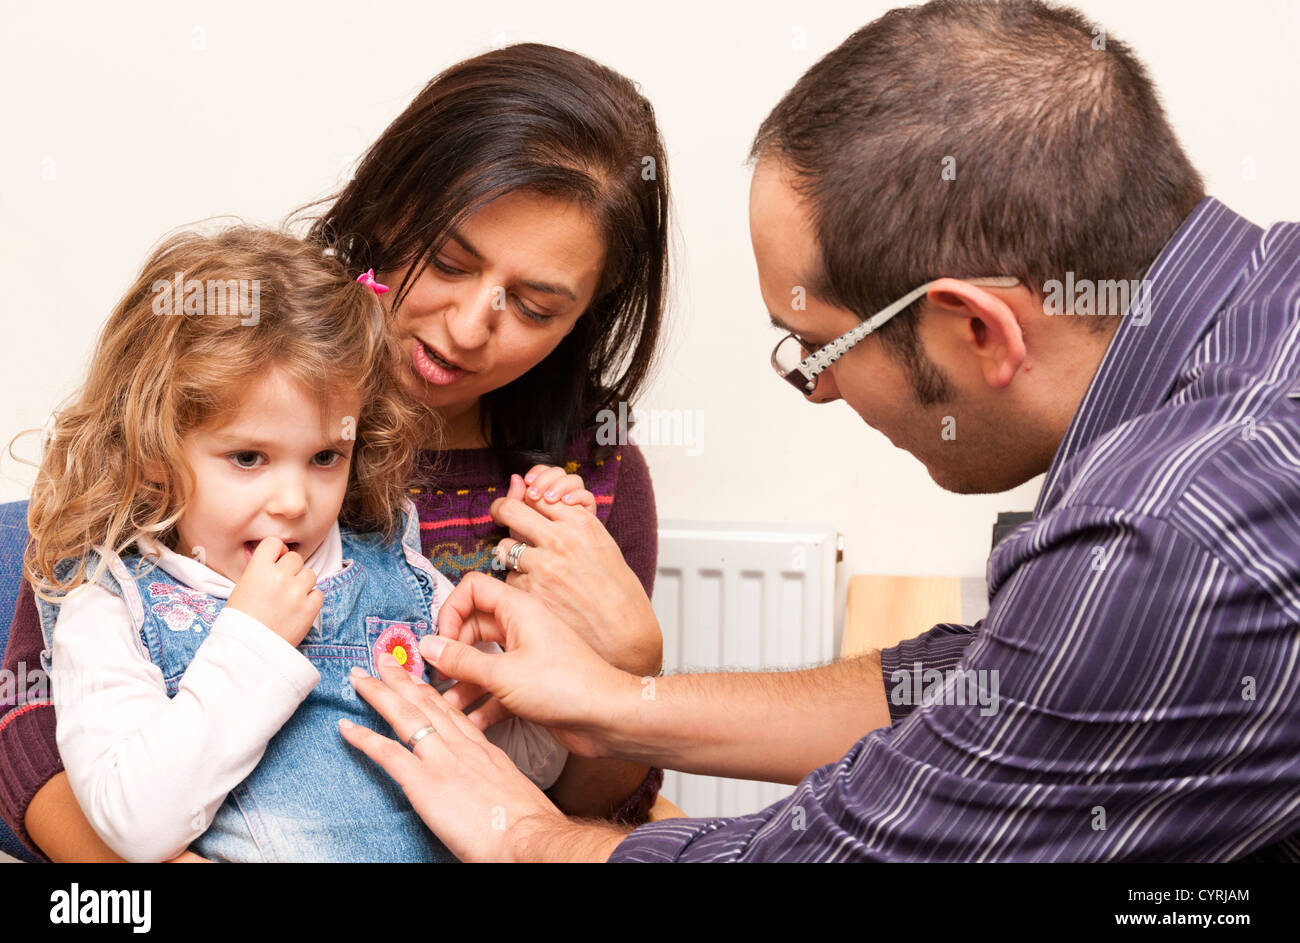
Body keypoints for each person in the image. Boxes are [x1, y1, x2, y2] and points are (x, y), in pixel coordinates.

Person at [341, 0, 1300, 861]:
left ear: (978, 330)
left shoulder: (1173, 532)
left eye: (814, 350)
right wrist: (616, 701)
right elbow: (987, 680)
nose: (820, 391)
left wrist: (522, 831)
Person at [0, 43, 668, 860]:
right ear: (391, 210)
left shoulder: (572, 486)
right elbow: (39, 740)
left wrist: (612, 669)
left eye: (534, 305)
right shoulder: (239, 341)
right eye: (450, 261)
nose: (468, 327)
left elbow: (559, 794)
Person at [28, 226, 589, 862]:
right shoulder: (113, 608)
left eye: (325, 456)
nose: (294, 501)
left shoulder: (399, 576)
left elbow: (527, 775)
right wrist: (253, 645)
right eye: (248, 457)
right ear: (156, 451)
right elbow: (135, 827)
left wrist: (520, 658)